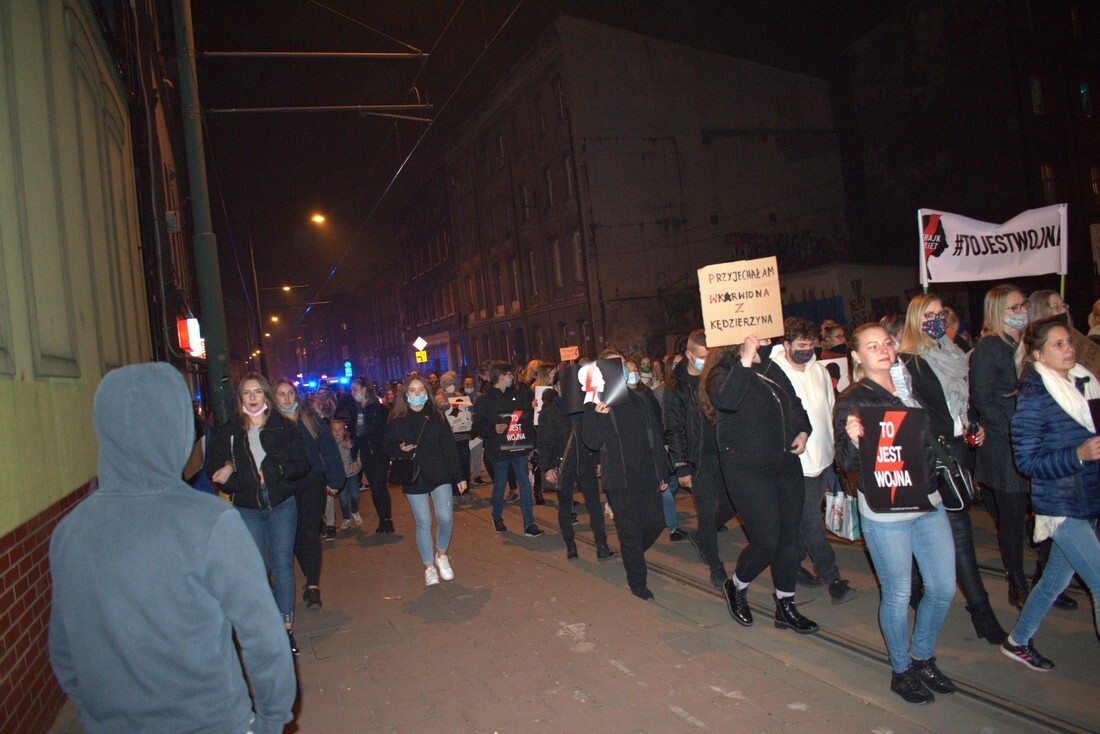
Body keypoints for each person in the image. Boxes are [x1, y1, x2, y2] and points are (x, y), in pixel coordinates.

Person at [48, 364, 296, 734]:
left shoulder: (70, 531)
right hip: (209, 720)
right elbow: (263, 637)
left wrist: (93, 714)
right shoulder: (209, 522)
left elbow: (64, 652)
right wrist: (271, 719)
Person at [834, 324, 956, 704]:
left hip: (928, 499)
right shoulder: (853, 399)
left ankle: (922, 655)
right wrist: (854, 439)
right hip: (886, 508)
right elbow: (848, 461)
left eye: (887, 342)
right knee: (899, 592)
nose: (883, 349)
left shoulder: (908, 384)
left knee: (942, 587)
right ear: (856, 356)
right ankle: (902, 669)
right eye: (872, 346)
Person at [897, 293, 1007, 644]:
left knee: (942, 531)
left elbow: (962, 401)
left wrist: (974, 423)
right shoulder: (908, 361)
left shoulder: (955, 354)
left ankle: (918, 590)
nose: (936, 321)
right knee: (959, 535)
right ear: (915, 319)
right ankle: (982, 612)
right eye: (928, 315)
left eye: (940, 314)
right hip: (935, 455)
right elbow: (913, 412)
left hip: (960, 449)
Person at [701, 336, 818, 635]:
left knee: (790, 538)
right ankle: (737, 585)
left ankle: (785, 603)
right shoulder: (723, 371)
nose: (766, 338)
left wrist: (802, 431)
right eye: (757, 333)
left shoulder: (769, 366)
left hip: (784, 463)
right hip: (748, 469)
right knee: (767, 540)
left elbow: (792, 403)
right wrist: (745, 358)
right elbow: (727, 402)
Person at [1003, 315, 1100, 671]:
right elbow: (1026, 461)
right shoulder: (1035, 395)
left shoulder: (1080, 384)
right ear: (1039, 356)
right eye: (1058, 344)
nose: (1069, 348)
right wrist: (1078, 455)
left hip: (1085, 498)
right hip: (1060, 505)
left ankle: (1017, 641)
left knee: (1053, 582)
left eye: (1069, 341)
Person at [971, 285, 1076, 611]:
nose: (1022, 312)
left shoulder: (1029, 347)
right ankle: (1015, 579)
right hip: (1008, 450)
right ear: (997, 313)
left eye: (1023, 306)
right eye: (1014, 308)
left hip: (1038, 445)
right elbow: (984, 400)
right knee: (1013, 520)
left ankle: (1046, 579)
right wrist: (1015, 431)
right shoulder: (990, 350)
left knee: (1047, 511)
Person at [205, 373, 310, 655]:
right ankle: (265, 627)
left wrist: (276, 473)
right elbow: (213, 468)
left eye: (257, 392)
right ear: (240, 399)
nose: (252, 397)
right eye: (246, 393)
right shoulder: (230, 432)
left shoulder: (283, 427)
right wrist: (232, 474)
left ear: (266, 396)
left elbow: (302, 464)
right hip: (248, 508)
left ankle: (285, 629)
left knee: (281, 564)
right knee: (256, 570)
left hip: (281, 506)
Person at [764, 317, 857, 603]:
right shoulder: (773, 372)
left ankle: (792, 563)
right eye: (800, 345)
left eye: (810, 344)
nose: (806, 350)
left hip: (823, 460)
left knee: (804, 521)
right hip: (795, 464)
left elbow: (830, 410)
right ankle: (832, 577)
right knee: (810, 522)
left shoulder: (818, 370)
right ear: (787, 344)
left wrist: (838, 449)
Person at [583, 349, 669, 599]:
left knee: (656, 522)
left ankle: (632, 553)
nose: (620, 370)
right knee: (629, 531)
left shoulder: (641, 397)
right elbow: (591, 441)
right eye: (614, 366)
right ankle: (637, 581)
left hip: (646, 475)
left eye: (622, 365)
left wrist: (662, 473)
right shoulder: (596, 401)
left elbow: (655, 435)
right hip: (619, 480)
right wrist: (599, 417)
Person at [385, 376, 467, 586]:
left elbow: (449, 446)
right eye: (412, 391)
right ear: (406, 394)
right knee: (423, 522)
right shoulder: (398, 419)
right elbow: (387, 447)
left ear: (427, 392)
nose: (417, 394)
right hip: (414, 477)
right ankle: (429, 567)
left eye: (421, 390)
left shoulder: (436, 415)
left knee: (445, 517)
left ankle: (442, 554)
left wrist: (459, 476)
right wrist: (400, 451)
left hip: (439, 473)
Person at [665, 329, 728, 588]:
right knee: (704, 510)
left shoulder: (718, 377)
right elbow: (674, 429)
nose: (707, 362)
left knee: (730, 505)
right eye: (703, 357)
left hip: (726, 455)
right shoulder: (676, 388)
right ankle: (715, 564)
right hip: (698, 460)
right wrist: (682, 467)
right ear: (689, 355)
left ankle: (703, 534)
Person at [274, 379, 344, 611]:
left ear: (296, 395)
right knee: (292, 536)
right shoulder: (270, 422)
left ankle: (313, 585)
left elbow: (329, 448)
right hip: (285, 485)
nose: (286, 398)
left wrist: (335, 480)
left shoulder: (309, 418)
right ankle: (309, 575)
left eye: (289, 393)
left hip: (312, 481)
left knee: (308, 531)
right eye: (281, 394)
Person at [539, 369, 615, 560]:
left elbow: (593, 434)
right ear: (556, 387)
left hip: (586, 462)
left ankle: (602, 545)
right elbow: (544, 442)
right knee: (565, 506)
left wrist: (597, 460)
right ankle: (570, 544)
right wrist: (548, 467)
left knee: (594, 506)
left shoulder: (586, 407)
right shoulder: (550, 412)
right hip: (563, 465)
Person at [472, 361, 543, 536]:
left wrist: (532, 406)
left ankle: (529, 524)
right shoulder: (485, 400)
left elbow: (523, 414)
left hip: (518, 446)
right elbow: (476, 426)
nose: (512, 378)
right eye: (509, 375)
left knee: (524, 484)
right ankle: (497, 516)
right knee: (500, 484)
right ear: (501, 377)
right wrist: (492, 429)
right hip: (498, 449)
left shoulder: (516, 394)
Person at [348, 376, 394, 533]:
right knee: (375, 487)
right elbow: (356, 433)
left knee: (380, 486)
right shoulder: (357, 409)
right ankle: (383, 519)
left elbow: (378, 432)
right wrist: (354, 450)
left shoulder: (376, 409)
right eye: (352, 389)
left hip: (378, 453)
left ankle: (387, 520)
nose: (352, 392)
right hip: (366, 453)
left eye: (355, 389)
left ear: (364, 389)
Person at [439, 371, 474, 498]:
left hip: (462, 436)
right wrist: (444, 407)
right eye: (448, 384)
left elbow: (469, 411)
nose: (451, 386)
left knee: (465, 462)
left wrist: (469, 408)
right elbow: (437, 414)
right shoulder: (437, 399)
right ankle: (453, 490)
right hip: (448, 438)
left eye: (453, 384)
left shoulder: (460, 396)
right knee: (452, 464)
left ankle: (466, 488)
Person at [331, 418, 362, 528]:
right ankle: (346, 518)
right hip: (340, 477)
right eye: (334, 430)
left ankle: (354, 510)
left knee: (355, 495)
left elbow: (357, 456)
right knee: (343, 499)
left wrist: (357, 465)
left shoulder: (349, 443)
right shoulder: (331, 446)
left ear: (344, 431)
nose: (337, 432)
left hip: (352, 475)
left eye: (339, 429)